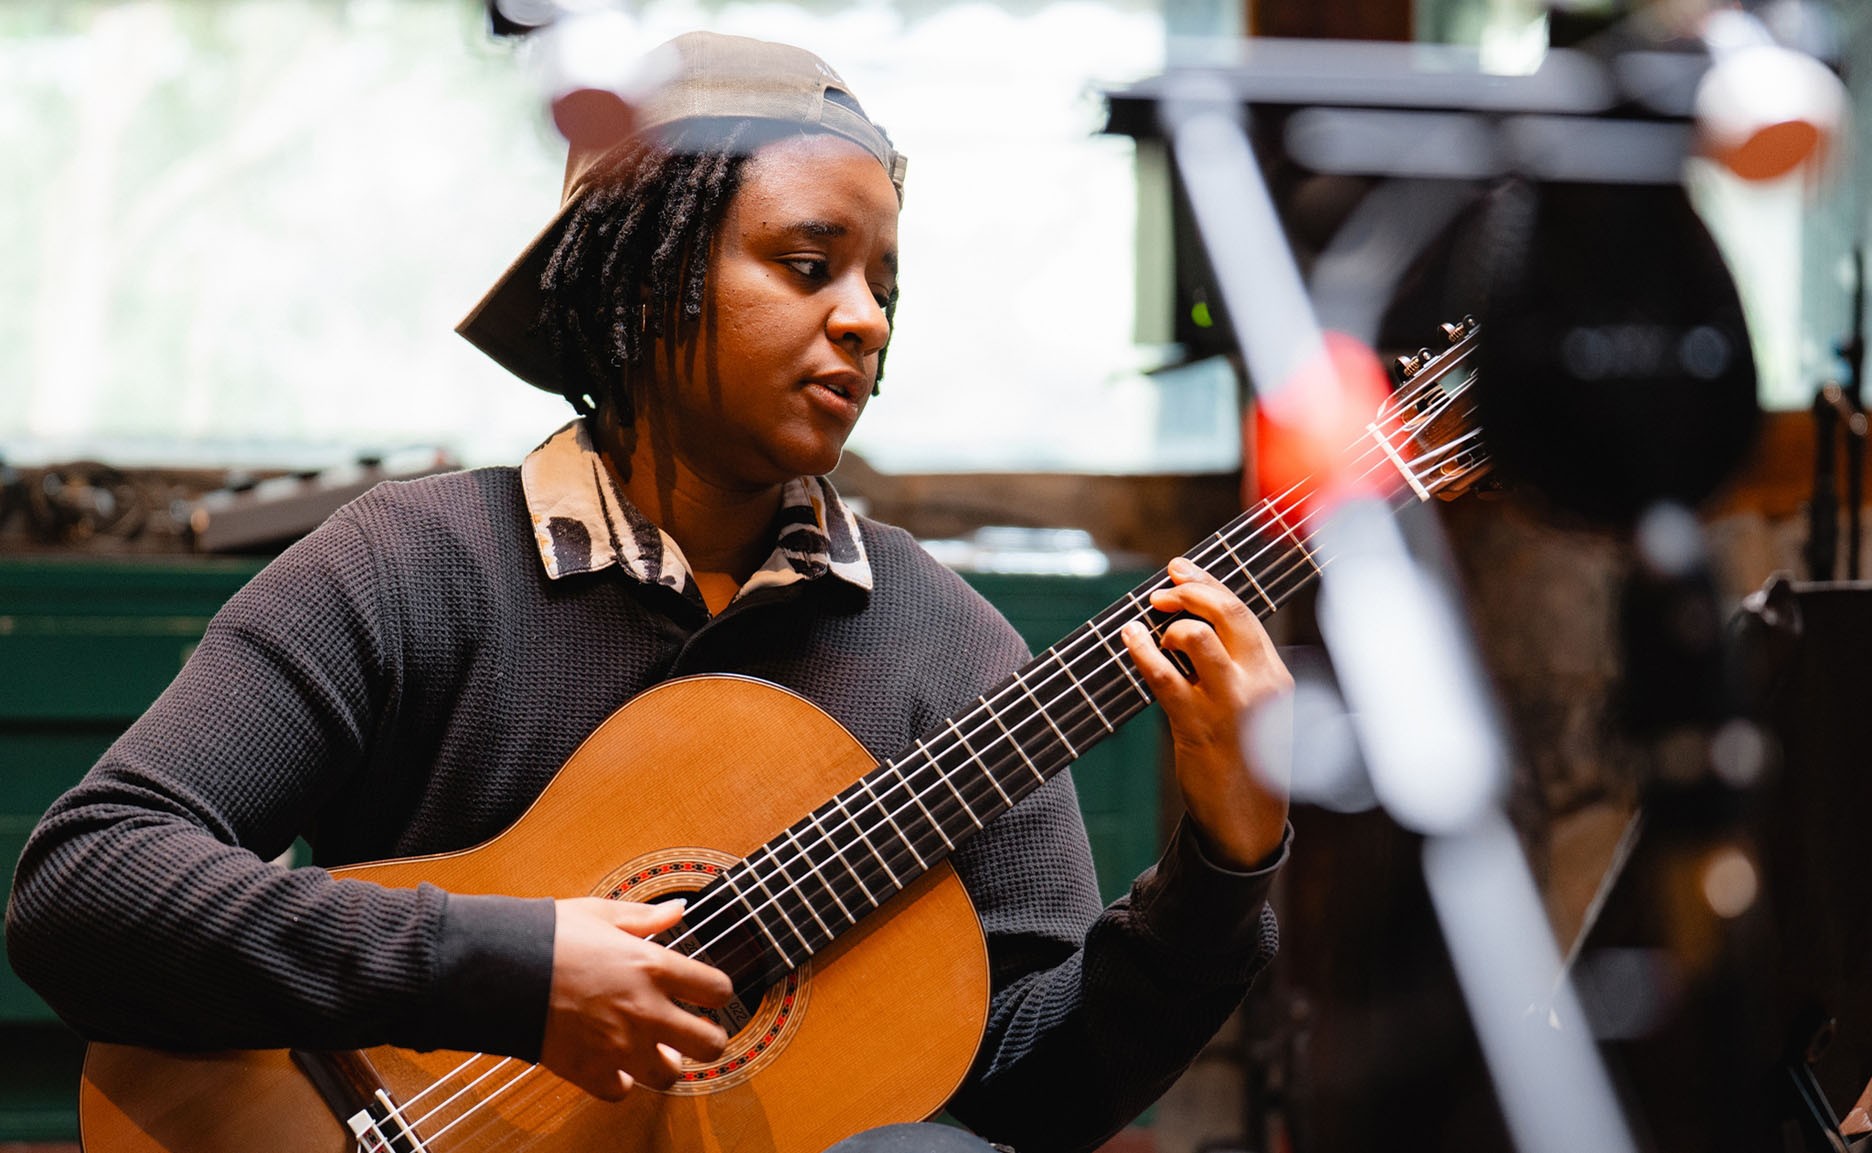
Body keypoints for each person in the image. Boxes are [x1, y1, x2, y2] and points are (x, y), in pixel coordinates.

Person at [6, 30, 1293, 1153]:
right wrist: (508, 970)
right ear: (642, 277)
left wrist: (1225, 863)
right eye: (808, 263)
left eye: (884, 286)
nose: (865, 322)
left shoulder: (947, 646)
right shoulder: (411, 565)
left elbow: (1030, 1100)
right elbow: (85, 888)